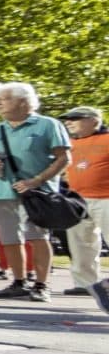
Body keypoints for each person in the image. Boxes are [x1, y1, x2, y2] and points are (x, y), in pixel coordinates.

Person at [0, 82, 72, 304]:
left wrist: (36, 181)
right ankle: (18, 282)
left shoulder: (48, 125)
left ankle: (42, 284)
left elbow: (64, 158)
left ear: (23, 101)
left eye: (4, 98)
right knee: (9, 238)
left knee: (37, 236)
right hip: (0, 190)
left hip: (37, 192)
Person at [55, 107, 109, 308]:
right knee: (80, 243)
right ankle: (85, 284)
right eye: (67, 120)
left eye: (75, 119)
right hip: (77, 199)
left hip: (106, 198)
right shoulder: (69, 144)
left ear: (94, 121)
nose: (69, 122)